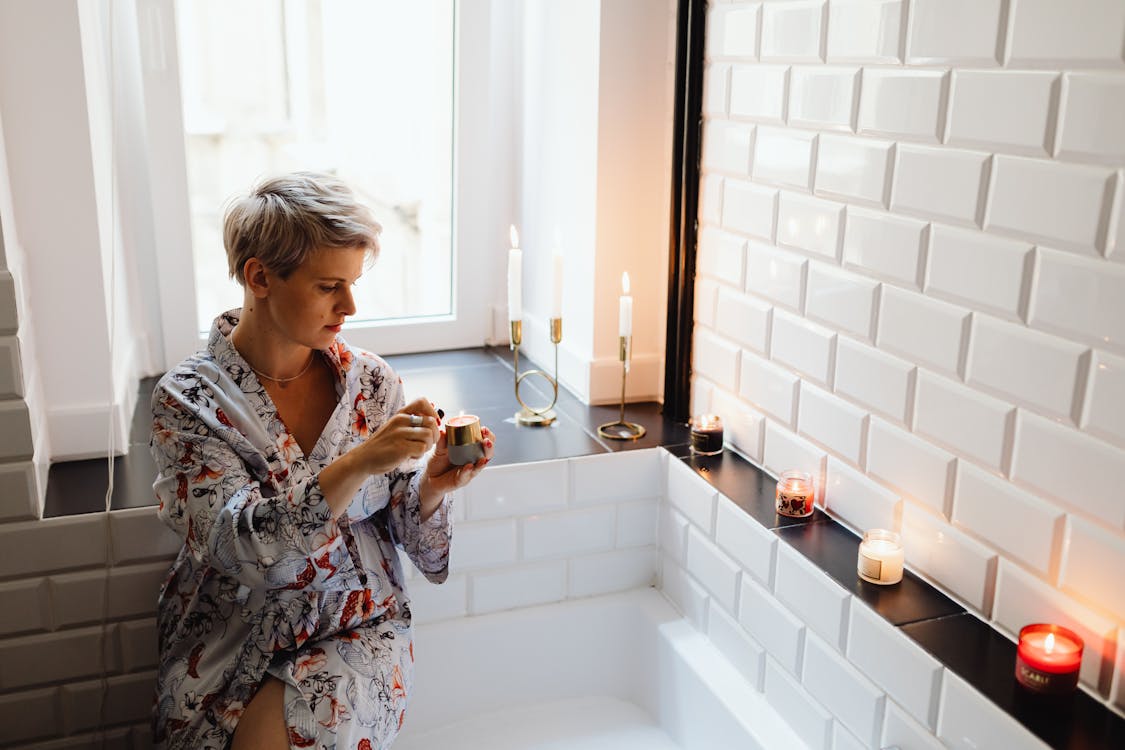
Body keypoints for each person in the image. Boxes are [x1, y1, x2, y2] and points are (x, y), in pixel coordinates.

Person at [150, 172, 493, 749]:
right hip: (232, 634)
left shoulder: (370, 382)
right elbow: (242, 547)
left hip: (358, 625)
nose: (350, 306)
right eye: (329, 285)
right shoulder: (187, 403)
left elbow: (408, 532)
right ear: (259, 276)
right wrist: (359, 461)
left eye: (354, 283)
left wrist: (432, 485)